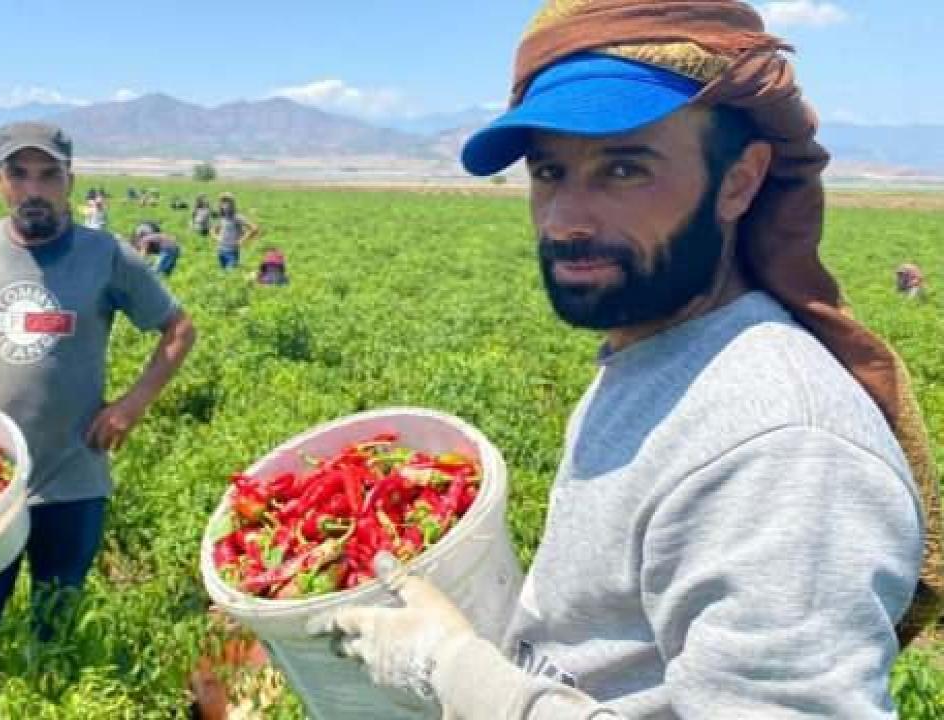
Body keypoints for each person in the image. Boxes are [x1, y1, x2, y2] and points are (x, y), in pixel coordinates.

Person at [309, 2, 941, 718]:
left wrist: (453, 672)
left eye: (624, 168)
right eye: (550, 171)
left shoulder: (784, 450)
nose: (565, 219)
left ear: (739, 181)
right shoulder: (657, 354)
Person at [0, 121, 196, 630]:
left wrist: (131, 406)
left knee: (57, 626)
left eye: (49, 175)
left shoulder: (106, 254)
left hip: (72, 478)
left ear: (69, 180)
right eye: (19, 175)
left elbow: (178, 329)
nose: (34, 190)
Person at [213, 193, 259, 269]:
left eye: (228, 202)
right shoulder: (222, 217)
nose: (226, 205)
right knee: (223, 274)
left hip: (232, 252)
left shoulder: (237, 217)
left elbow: (254, 228)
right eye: (223, 202)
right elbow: (213, 230)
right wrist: (217, 238)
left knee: (230, 275)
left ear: (232, 204)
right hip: (221, 251)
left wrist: (242, 240)